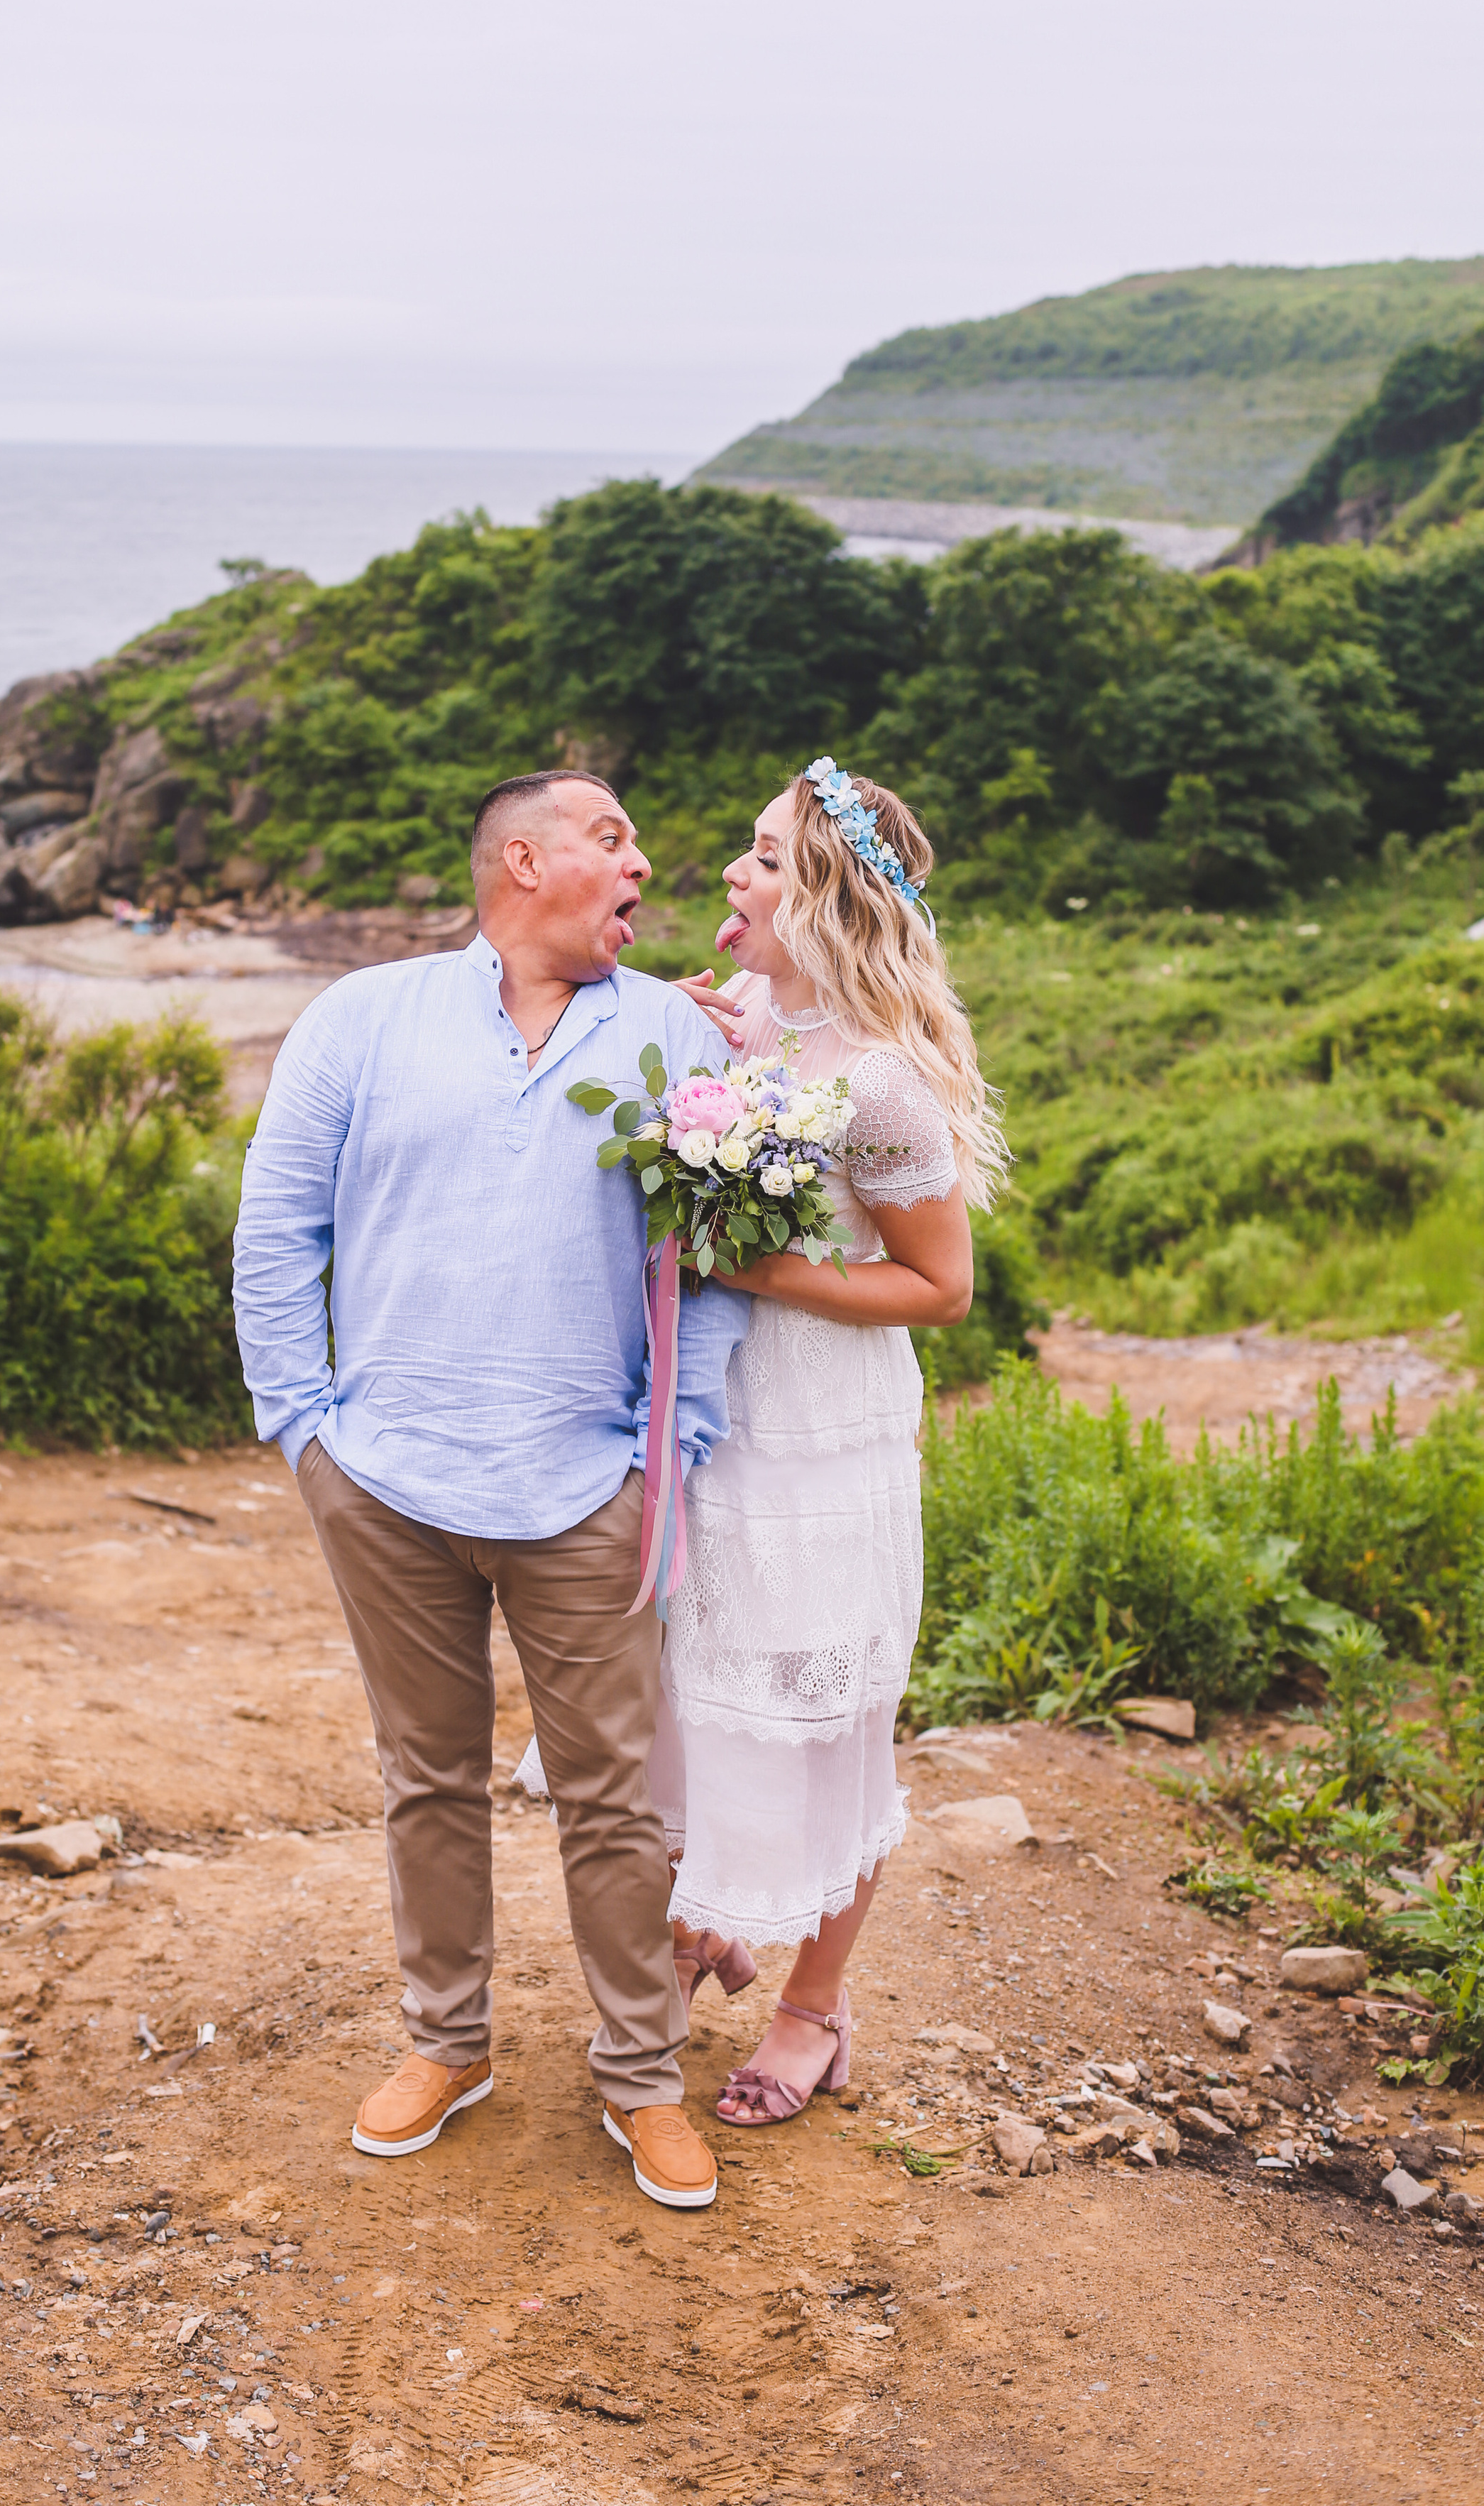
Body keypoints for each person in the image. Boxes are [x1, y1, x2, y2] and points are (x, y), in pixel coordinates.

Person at [232, 771, 749, 2209]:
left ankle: (640, 2079)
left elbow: (712, 1270)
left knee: (615, 1807)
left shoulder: (671, 1036)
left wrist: (671, 1450)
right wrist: (304, 1433)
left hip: (588, 1482)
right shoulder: (360, 1017)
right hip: (384, 1481)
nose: (645, 861)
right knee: (428, 1782)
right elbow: (276, 1228)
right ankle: (444, 2044)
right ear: (524, 862)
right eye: (613, 837)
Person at [654, 758, 1006, 2124]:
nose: (731, 878)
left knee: (824, 1714)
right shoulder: (735, 1021)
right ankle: (706, 1924)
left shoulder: (884, 1089)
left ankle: (815, 2007)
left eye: (760, 859)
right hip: (708, 1424)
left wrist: (762, 1275)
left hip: (825, 1435)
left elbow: (944, 1290)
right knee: (691, 1690)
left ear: (826, 901)